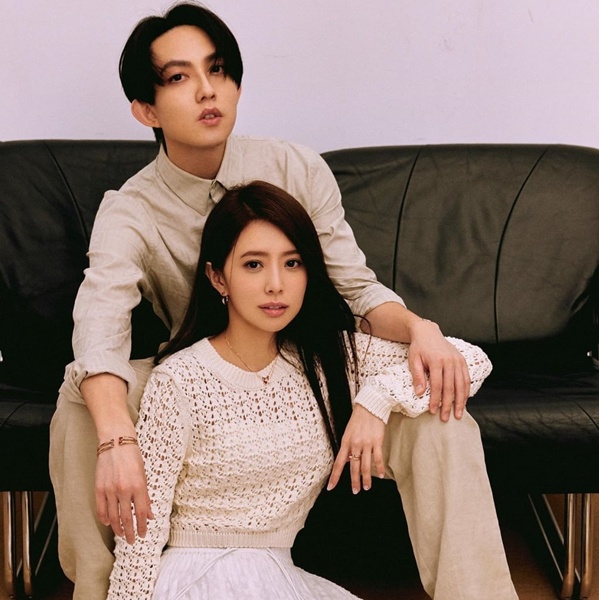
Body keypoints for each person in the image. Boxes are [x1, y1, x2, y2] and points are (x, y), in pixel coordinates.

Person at [48, 3, 518, 599]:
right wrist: (117, 440)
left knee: (444, 419)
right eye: (179, 77)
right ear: (146, 109)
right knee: (80, 401)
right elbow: (99, 328)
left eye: (218, 70)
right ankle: (99, 593)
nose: (207, 90)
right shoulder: (130, 209)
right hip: (198, 380)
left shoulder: (295, 167)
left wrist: (420, 331)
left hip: (315, 372)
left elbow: (357, 290)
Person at [107, 180, 501, 599]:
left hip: (278, 573)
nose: (276, 284)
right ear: (218, 277)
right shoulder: (179, 379)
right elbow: (140, 531)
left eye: (292, 263)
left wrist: (377, 400)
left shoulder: (327, 358)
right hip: (196, 577)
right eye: (253, 265)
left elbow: (469, 360)